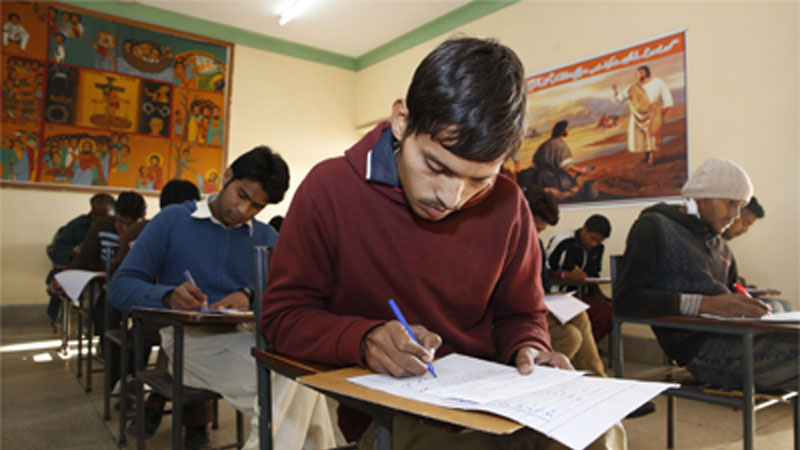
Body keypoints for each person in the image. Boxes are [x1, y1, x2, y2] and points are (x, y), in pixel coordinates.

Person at [261, 38, 625, 449]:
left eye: (479, 180)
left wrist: (530, 348)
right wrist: (364, 339)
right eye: (435, 166)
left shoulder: (509, 204)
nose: (451, 199)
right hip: (387, 408)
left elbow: (520, 314)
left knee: (599, 433)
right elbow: (283, 317)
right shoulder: (329, 189)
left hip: (490, 397)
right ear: (402, 120)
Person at [108, 147, 336, 450]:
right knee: (297, 385)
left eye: (256, 206)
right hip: (187, 342)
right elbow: (120, 287)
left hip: (248, 339)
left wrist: (250, 295)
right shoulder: (173, 221)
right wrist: (166, 296)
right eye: (241, 195)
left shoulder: (267, 237)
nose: (243, 211)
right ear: (227, 176)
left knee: (300, 386)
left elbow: (294, 297)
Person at [613, 157, 798, 392]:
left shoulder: (721, 246)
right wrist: (705, 305)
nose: (735, 214)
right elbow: (626, 301)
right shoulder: (654, 226)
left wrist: (746, 303)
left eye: (740, 205)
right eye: (730, 202)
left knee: (783, 305)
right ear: (700, 197)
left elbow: (731, 292)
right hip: (702, 349)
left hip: (739, 335)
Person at [45, 193, 114, 322]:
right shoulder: (77, 225)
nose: (98, 220)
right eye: (95, 215)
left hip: (107, 275)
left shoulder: (119, 227)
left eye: (103, 216)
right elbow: (56, 249)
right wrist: (71, 252)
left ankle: (99, 324)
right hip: (81, 272)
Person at [546, 214, 613, 343]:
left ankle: (586, 347)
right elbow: (542, 270)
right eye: (592, 238)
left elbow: (593, 275)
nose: (594, 244)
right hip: (558, 294)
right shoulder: (563, 241)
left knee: (607, 312)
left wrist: (601, 295)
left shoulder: (598, 248)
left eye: (599, 242)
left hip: (582, 295)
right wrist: (565, 275)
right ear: (584, 228)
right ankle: (583, 350)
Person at [721, 196, 794, 313]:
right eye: (745, 223)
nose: (745, 230)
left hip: (729, 296)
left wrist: (741, 285)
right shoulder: (709, 242)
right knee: (775, 307)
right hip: (719, 302)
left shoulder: (722, 247)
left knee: (787, 305)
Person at [612, 65, 674, 164]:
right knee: (640, 136)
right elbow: (621, 98)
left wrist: (665, 108)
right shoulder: (633, 86)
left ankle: (652, 156)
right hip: (638, 115)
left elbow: (666, 95)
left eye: (641, 72)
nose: (639, 74)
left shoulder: (657, 82)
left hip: (653, 112)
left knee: (651, 135)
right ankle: (646, 155)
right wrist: (615, 92)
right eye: (638, 72)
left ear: (647, 72)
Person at [529, 120, 588, 193]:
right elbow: (567, 166)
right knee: (574, 188)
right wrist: (582, 170)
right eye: (566, 128)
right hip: (554, 179)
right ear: (562, 131)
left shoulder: (544, 144)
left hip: (540, 179)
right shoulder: (561, 145)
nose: (567, 130)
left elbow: (534, 162)